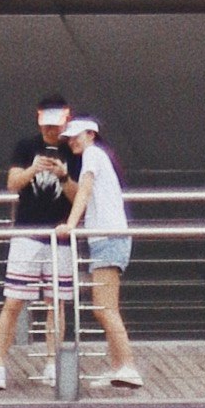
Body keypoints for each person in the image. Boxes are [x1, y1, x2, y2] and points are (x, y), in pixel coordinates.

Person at [0, 94, 77, 389]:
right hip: (27, 231)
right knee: (13, 301)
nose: (51, 131)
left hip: (60, 235)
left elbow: (80, 198)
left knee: (57, 303)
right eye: (47, 125)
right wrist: (33, 169)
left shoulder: (74, 150)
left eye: (56, 125)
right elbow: (12, 183)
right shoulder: (26, 147)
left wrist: (64, 176)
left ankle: (53, 362)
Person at [63, 114, 141, 390]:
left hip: (108, 238)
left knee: (105, 308)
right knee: (107, 308)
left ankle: (128, 366)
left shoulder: (93, 155)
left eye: (77, 135)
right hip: (106, 238)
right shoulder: (100, 155)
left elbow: (83, 190)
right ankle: (119, 367)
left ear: (91, 135)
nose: (72, 140)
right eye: (69, 136)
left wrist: (70, 224)